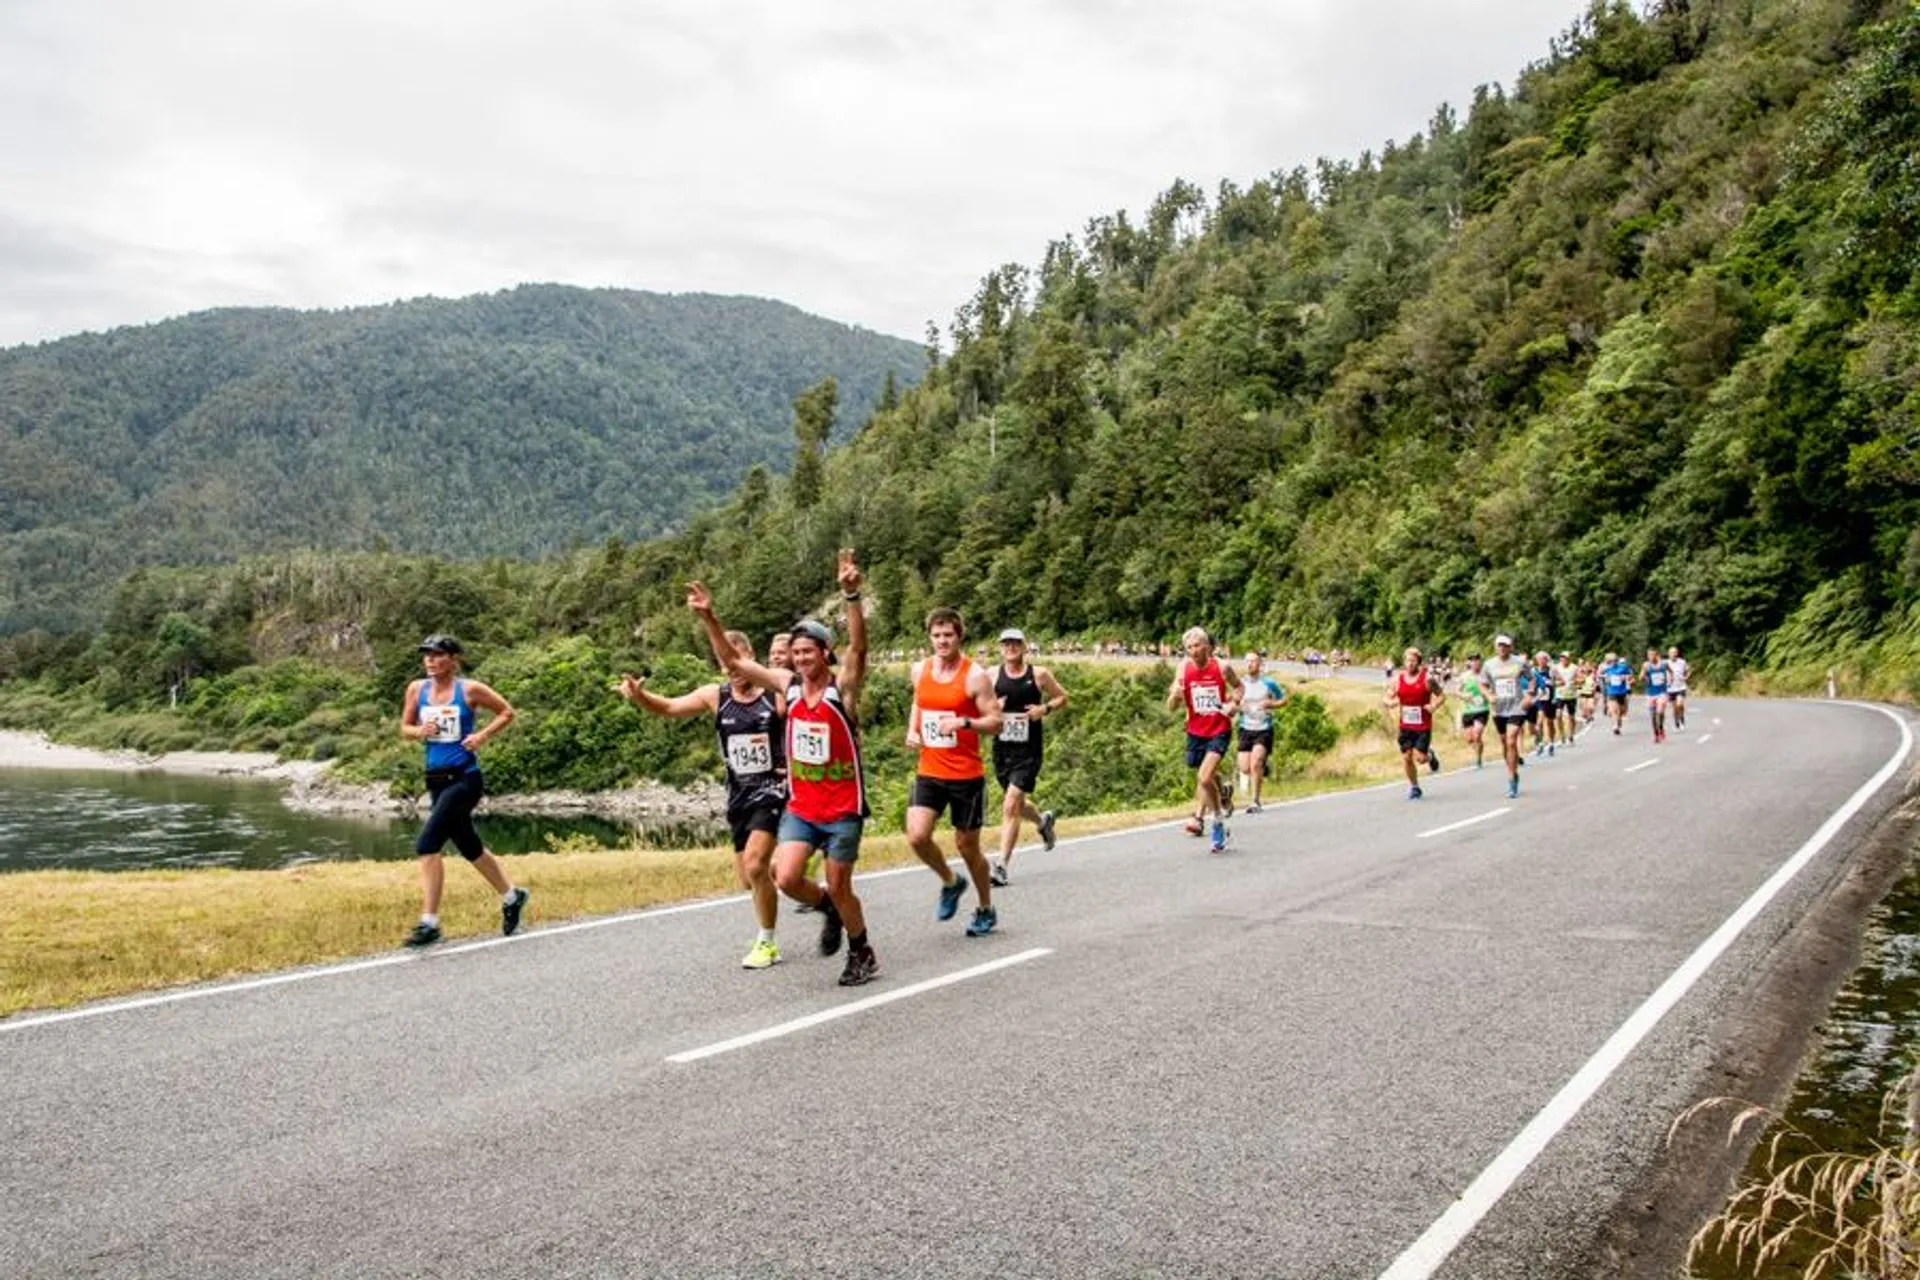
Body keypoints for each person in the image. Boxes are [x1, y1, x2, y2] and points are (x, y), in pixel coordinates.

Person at [689, 550, 879, 986]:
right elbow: (736, 663)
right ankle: (828, 907)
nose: (800, 659)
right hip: (802, 807)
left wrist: (851, 594)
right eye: (795, 653)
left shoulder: (841, 691)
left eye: (808, 651)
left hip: (843, 808)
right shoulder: (788, 687)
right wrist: (709, 618)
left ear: (824, 653)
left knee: (841, 883)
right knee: (786, 876)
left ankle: (862, 950)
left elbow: (861, 649)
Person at [618, 629, 787, 970]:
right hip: (739, 795)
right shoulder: (715, 696)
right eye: (726, 665)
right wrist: (641, 696)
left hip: (774, 790)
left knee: (755, 865)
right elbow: (668, 707)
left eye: (737, 662)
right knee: (750, 877)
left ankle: (767, 942)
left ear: (750, 656)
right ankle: (798, 884)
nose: (732, 670)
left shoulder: (775, 694)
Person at [399, 635, 528, 947]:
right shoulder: (417, 689)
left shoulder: (469, 689)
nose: (430, 660)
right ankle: (513, 896)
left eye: (437, 654)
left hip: (465, 778)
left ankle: (429, 923)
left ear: (453, 659)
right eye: (426, 655)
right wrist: (420, 731)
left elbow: (507, 712)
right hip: (435, 779)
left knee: (427, 844)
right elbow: (404, 728)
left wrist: (481, 737)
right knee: (469, 846)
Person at [905, 608, 1004, 937]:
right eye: (936, 635)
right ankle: (950, 881)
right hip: (929, 769)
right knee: (917, 836)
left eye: (948, 635)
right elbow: (919, 702)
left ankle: (986, 908)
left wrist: (965, 722)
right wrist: (913, 730)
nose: (942, 641)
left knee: (967, 847)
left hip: (966, 775)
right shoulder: (919, 670)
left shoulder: (975, 675)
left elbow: (996, 722)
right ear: (929, 637)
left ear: (959, 636)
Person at [985, 629, 1069, 887]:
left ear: (1024, 646)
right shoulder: (990, 675)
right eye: (1006, 644)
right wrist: (991, 708)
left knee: (1011, 804)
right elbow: (976, 706)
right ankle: (1043, 821)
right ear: (1000, 648)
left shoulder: (1039, 674)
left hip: (1029, 750)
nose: (1011, 647)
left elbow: (1063, 697)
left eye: (1015, 643)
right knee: (1017, 804)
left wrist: (1044, 709)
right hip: (1002, 750)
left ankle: (1000, 866)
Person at [1168, 627, 1241, 853]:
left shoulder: (1222, 667)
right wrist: (1175, 696)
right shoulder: (1183, 669)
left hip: (1219, 729)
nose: (1193, 651)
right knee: (1202, 773)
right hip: (1195, 731)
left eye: (1198, 646)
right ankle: (1223, 793)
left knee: (1204, 776)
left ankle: (1217, 821)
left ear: (1208, 647)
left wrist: (1233, 705)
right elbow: (1171, 707)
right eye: (1189, 647)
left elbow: (1239, 687)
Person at [1385, 647, 1445, 799]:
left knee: (1420, 758)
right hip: (1405, 725)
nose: (1410, 663)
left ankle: (1430, 756)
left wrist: (1434, 706)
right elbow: (1386, 697)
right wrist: (1390, 702)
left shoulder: (1427, 679)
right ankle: (1414, 787)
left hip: (1423, 725)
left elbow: (1441, 696)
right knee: (1406, 757)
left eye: (1413, 660)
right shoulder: (1398, 680)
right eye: (1407, 660)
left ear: (1418, 662)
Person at [1235, 651, 1288, 812]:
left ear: (1260, 664)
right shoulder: (1240, 683)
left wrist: (1271, 704)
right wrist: (1238, 707)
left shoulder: (1268, 683)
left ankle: (1255, 801)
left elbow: (1283, 699)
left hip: (1263, 728)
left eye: (1253, 661)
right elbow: (1233, 701)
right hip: (1245, 728)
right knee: (1245, 768)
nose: (1250, 664)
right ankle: (1262, 767)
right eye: (1247, 661)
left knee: (1255, 763)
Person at [1483, 634, 1529, 800]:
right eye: (1499, 645)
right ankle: (1513, 771)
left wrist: (1529, 695)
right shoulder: (1489, 665)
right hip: (1499, 709)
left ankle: (1511, 780)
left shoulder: (1520, 662)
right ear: (1495, 647)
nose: (1502, 648)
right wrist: (1489, 695)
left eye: (1505, 645)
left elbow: (1532, 680)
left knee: (1511, 740)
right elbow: (1482, 683)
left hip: (1517, 707)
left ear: (1510, 647)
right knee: (1505, 743)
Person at [1456, 653, 1491, 769]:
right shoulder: (1464, 676)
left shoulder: (1485, 675)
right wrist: (1464, 696)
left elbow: (1492, 689)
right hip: (1467, 711)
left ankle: (1478, 759)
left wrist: (1488, 695)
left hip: (1482, 709)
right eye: (1472, 660)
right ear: (1469, 663)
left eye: (1477, 660)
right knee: (1470, 739)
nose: (1475, 662)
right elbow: (1456, 691)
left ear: (1480, 662)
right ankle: (1478, 751)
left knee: (1477, 734)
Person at [1642, 646, 1673, 743]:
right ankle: (1656, 733)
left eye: (1652, 655)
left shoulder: (1664, 664)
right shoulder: (1646, 665)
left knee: (1659, 712)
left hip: (1662, 693)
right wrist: (1644, 678)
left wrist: (1670, 679)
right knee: (1652, 716)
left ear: (1657, 655)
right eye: (1648, 655)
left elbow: (1671, 672)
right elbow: (1641, 677)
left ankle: (1661, 727)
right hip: (1650, 694)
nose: (1650, 657)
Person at [1601, 652, 1634, 734]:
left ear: (1617, 660)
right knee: (1613, 709)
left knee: (1622, 711)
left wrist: (1626, 677)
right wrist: (1605, 679)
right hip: (1612, 692)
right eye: (1610, 661)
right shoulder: (1606, 669)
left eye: (1614, 661)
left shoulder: (1623, 667)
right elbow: (1599, 675)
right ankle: (1615, 725)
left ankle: (1618, 721)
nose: (1613, 663)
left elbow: (1631, 675)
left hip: (1622, 692)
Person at [1667, 645, 1691, 730]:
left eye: (1675, 652)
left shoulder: (1682, 662)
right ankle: (1676, 722)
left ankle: (1682, 719)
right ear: (1668, 654)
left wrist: (1686, 677)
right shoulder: (1666, 663)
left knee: (1680, 704)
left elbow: (1688, 670)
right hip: (1670, 689)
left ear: (1677, 653)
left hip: (1681, 687)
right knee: (1674, 708)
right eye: (1671, 653)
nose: (1673, 654)